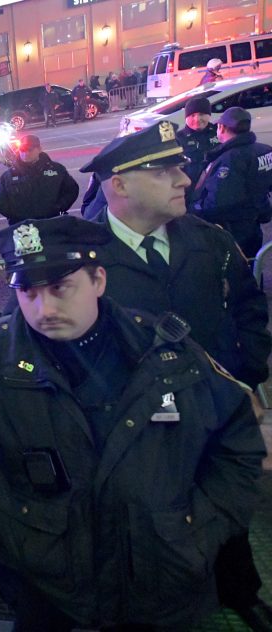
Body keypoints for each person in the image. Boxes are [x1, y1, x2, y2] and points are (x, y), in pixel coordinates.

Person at [0, 215, 265, 631]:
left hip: (163, 581)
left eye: (60, 288)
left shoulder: (167, 353)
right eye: (27, 291)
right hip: (47, 587)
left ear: (99, 280)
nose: (44, 308)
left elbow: (236, 441)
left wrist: (199, 526)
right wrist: (7, 524)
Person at [82, 121, 272, 629]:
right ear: (119, 184)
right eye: (164, 170)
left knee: (226, 501)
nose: (185, 178)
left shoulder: (208, 240)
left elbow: (251, 310)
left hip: (214, 412)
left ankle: (239, 589)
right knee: (148, 517)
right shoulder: (87, 257)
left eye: (181, 166)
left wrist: (242, 376)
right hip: (137, 424)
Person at [191, 107, 272, 257]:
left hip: (232, 229)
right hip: (253, 224)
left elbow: (218, 202)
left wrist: (192, 211)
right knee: (253, 266)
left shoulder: (231, 158)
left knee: (236, 271)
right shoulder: (265, 150)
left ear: (221, 128)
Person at [0, 135, 79, 222]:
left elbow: (72, 190)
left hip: (52, 222)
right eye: (22, 150)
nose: (25, 153)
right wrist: (15, 215)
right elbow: (0, 201)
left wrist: (59, 207)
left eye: (29, 150)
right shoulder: (8, 176)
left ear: (39, 149)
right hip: (22, 227)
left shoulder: (56, 169)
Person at [177, 97, 220, 197]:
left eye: (201, 114)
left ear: (209, 115)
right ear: (186, 118)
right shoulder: (178, 138)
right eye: (192, 115)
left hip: (217, 187)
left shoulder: (219, 132)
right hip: (191, 191)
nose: (197, 119)